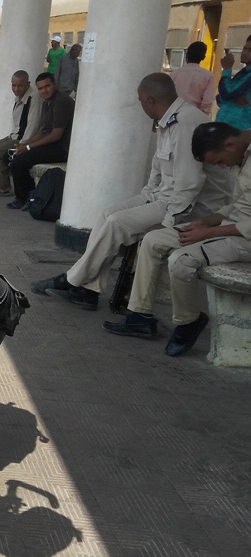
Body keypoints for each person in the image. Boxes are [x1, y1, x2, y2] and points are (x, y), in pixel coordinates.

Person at [31, 73, 233, 311]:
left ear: (149, 99)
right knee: (107, 215)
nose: (139, 105)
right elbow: (156, 178)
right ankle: (88, 289)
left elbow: (188, 187)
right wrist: (142, 200)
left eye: (140, 100)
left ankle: (72, 280)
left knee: (117, 223)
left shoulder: (186, 124)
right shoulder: (168, 121)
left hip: (193, 207)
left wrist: (168, 223)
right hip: (164, 197)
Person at [104, 122, 251, 356]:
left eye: (220, 161)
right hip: (227, 226)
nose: (223, 166)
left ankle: (188, 321)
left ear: (230, 144)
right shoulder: (240, 153)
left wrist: (209, 233)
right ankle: (140, 316)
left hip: (245, 238)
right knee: (152, 239)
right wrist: (207, 222)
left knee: (182, 261)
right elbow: (236, 205)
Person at [5, 72, 75, 206]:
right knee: (13, 156)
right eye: (40, 88)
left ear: (54, 84)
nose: (44, 91)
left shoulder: (61, 101)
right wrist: (24, 144)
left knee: (18, 162)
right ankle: (31, 194)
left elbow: (56, 135)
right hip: (50, 145)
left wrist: (29, 147)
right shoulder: (47, 101)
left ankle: (22, 198)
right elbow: (42, 130)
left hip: (61, 148)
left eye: (47, 86)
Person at [0, 70, 42, 197]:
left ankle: (4, 187)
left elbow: (33, 125)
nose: (16, 88)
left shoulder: (33, 99)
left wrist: (23, 144)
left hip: (22, 139)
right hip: (14, 135)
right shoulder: (19, 97)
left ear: (28, 84)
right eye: (13, 85)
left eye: (20, 85)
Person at [216, 35, 251, 129]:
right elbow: (219, 98)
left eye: (250, 50)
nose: (245, 53)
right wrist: (232, 98)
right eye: (245, 48)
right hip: (224, 126)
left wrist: (227, 69)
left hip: (239, 130)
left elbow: (226, 94)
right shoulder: (242, 73)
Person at [171, 41, 213, 115]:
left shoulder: (174, 74)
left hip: (173, 114)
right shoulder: (208, 76)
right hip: (193, 115)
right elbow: (207, 102)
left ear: (186, 55)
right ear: (203, 57)